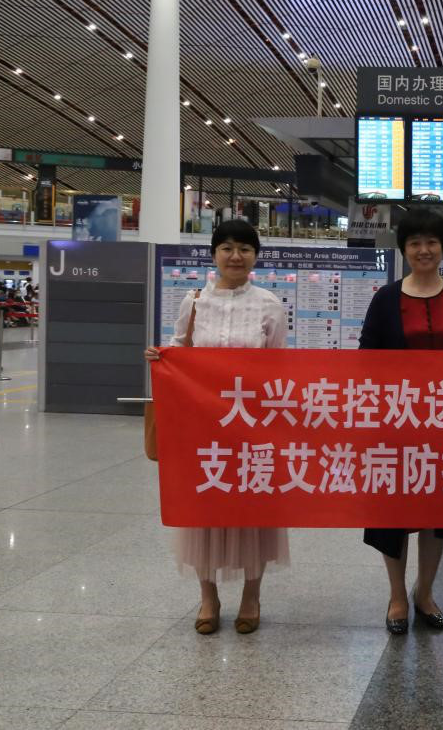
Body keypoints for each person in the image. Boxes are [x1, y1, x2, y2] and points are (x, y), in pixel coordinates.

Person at [144, 220, 289, 635]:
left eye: (244, 248)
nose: (235, 256)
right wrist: (162, 357)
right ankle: (208, 598)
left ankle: (251, 596)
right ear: (213, 254)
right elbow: (180, 351)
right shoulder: (193, 302)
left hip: (252, 427)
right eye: (226, 248)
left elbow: (280, 365)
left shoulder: (269, 305)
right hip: (202, 425)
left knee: (253, 510)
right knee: (203, 508)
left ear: (256, 256)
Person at [359, 210, 443, 634]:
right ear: (404, 250)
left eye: (432, 242)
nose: (424, 250)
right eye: (415, 243)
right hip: (396, 423)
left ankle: (424, 592)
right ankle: (397, 596)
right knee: (393, 513)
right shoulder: (385, 299)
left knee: (437, 513)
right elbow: (366, 359)